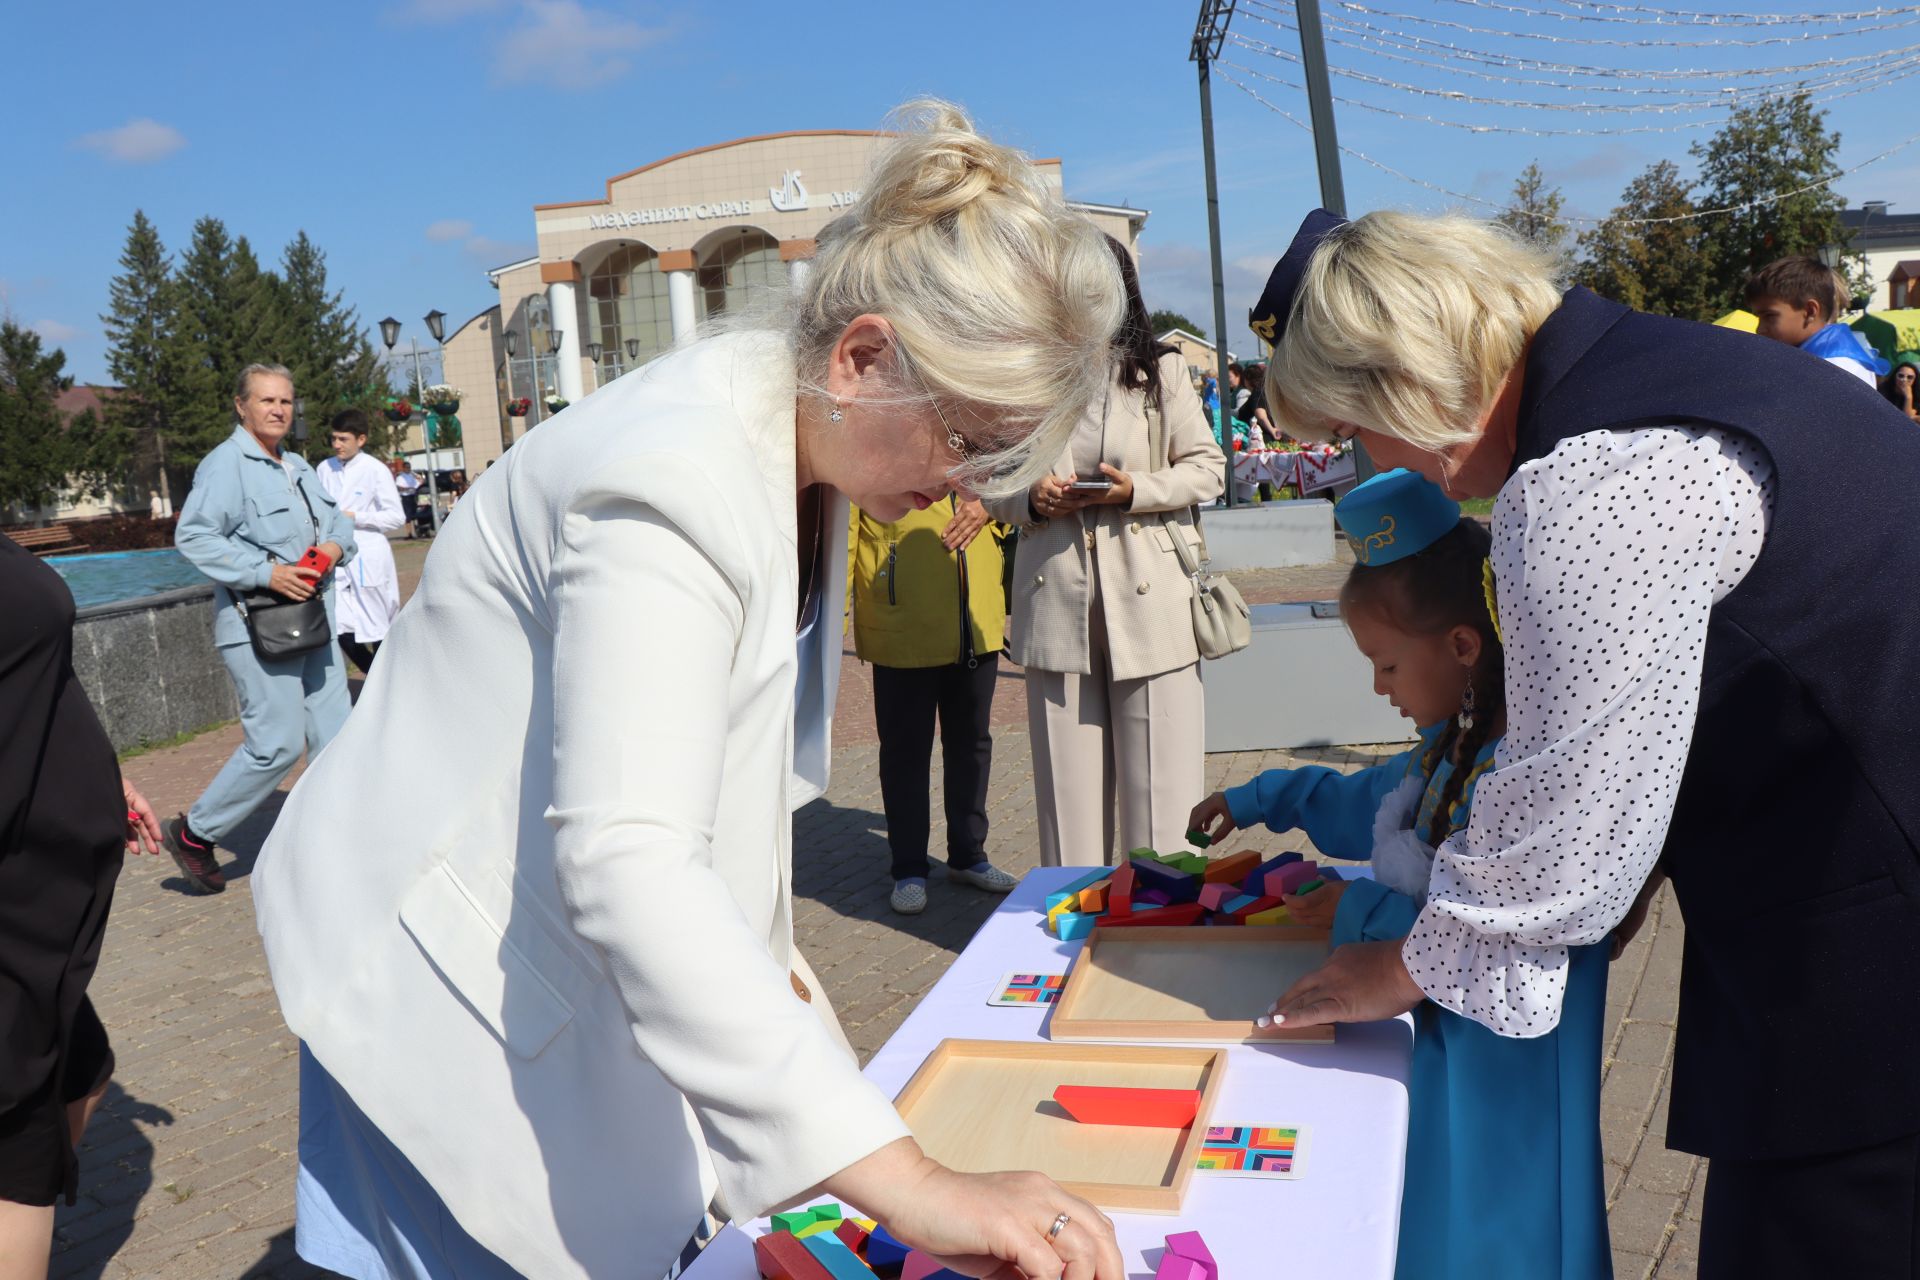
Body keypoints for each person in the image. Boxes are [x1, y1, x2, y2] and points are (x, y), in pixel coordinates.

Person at [249, 101, 1129, 1280]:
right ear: (861, 359)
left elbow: (726, 852)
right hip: (429, 989)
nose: (971, 491)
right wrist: (907, 1180)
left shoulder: (797, 450)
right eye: (970, 440)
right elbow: (632, 857)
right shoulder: (675, 473)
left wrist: (852, 1136)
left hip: (543, 969)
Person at [1248, 208, 1920, 1280]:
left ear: (1406, 381)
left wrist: (1412, 960)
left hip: (1871, 989)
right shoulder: (1669, 375)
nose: (1374, 460)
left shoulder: (1589, 488)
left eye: (1356, 428)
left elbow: (1563, 832)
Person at [1190, 470, 1610, 1280]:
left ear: (1462, 646)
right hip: (1447, 1068)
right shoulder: (1446, 748)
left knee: (1500, 1239)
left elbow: (1459, 931)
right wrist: (1258, 795)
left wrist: (1352, 905)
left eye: (1384, 664)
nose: (1377, 688)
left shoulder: (1519, 786)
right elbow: (1365, 802)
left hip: (1503, 1090)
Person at [985, 236, 1225, 867]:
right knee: (1068, 807)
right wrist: (1031, 498)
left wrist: (1136, 490)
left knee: (1164, 802)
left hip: (1153, 599)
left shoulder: (1161, 368)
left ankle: (1162, 944)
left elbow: (1208, 468)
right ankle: (1072, 938)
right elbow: (992, 484)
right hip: (1056, 600)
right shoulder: (1023, 371)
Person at [1, 534, 162, 1277]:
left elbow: (36, 681)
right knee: (18, 1158)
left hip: (41, 901)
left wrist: (100, 774)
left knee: (84, 1066)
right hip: (15, 913)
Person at [160, 363, 356, 894]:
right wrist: (265, 572)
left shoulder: (295, 464)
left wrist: (334, 547)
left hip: (313, 620)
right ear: (241, 406)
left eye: (286, 402)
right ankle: (196, 833)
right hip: (256, 626)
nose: (278, 410)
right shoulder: (226, 465)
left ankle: (335, 845)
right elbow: (196, 537)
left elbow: (338, 522)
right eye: (266, 400)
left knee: (337, 739)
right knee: (276, 744)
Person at [849, 494, 1019, 915]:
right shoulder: (873, 437)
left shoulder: (978, 435)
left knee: (972, 744)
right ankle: (908, 868)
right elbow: (847, 533)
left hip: (974, 620)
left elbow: (1014, 485)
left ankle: (968, 855)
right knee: (906, 753)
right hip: (902, 622)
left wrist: (989, 507)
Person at [317, 411, 405, 675]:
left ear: (361, 439)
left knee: (378, 626)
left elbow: (396, 517)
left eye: (343, 439)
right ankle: (374, 678)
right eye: (334, 439)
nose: (337, 445)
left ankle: (389, 684)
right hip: (335, 557)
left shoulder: (375, 470)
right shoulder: (324, 469)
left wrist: (355, 517)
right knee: (340, 627)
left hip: (368, 555)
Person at [1744, 255, 1889, 385]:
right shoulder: (1815, 360)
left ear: (1810, 311)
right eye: (1758, 317)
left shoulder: (1835, 369)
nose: (1760, 329)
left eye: (1769, 316)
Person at [1883, 354, 1919, 421]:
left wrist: (1908, 397)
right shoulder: (1884, 390)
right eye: (1901, 376)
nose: (1904, 380)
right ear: (1895, 377)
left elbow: (1907, 421)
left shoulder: (1916, 397)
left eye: (1910, 377)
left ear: (1915, 380)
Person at [393, 460, 421, 538]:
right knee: (408, 516)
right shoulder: (401, 477)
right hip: (406, 497)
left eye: (409, 467)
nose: (408, 469)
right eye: (407, 467)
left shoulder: (412, 476)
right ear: (403, 468)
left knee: (414, 515)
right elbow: (399, 487)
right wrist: (407, 489)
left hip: (413, 496)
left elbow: (419, 482)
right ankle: (409, 533)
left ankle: (417, 531)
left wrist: (416, 476)